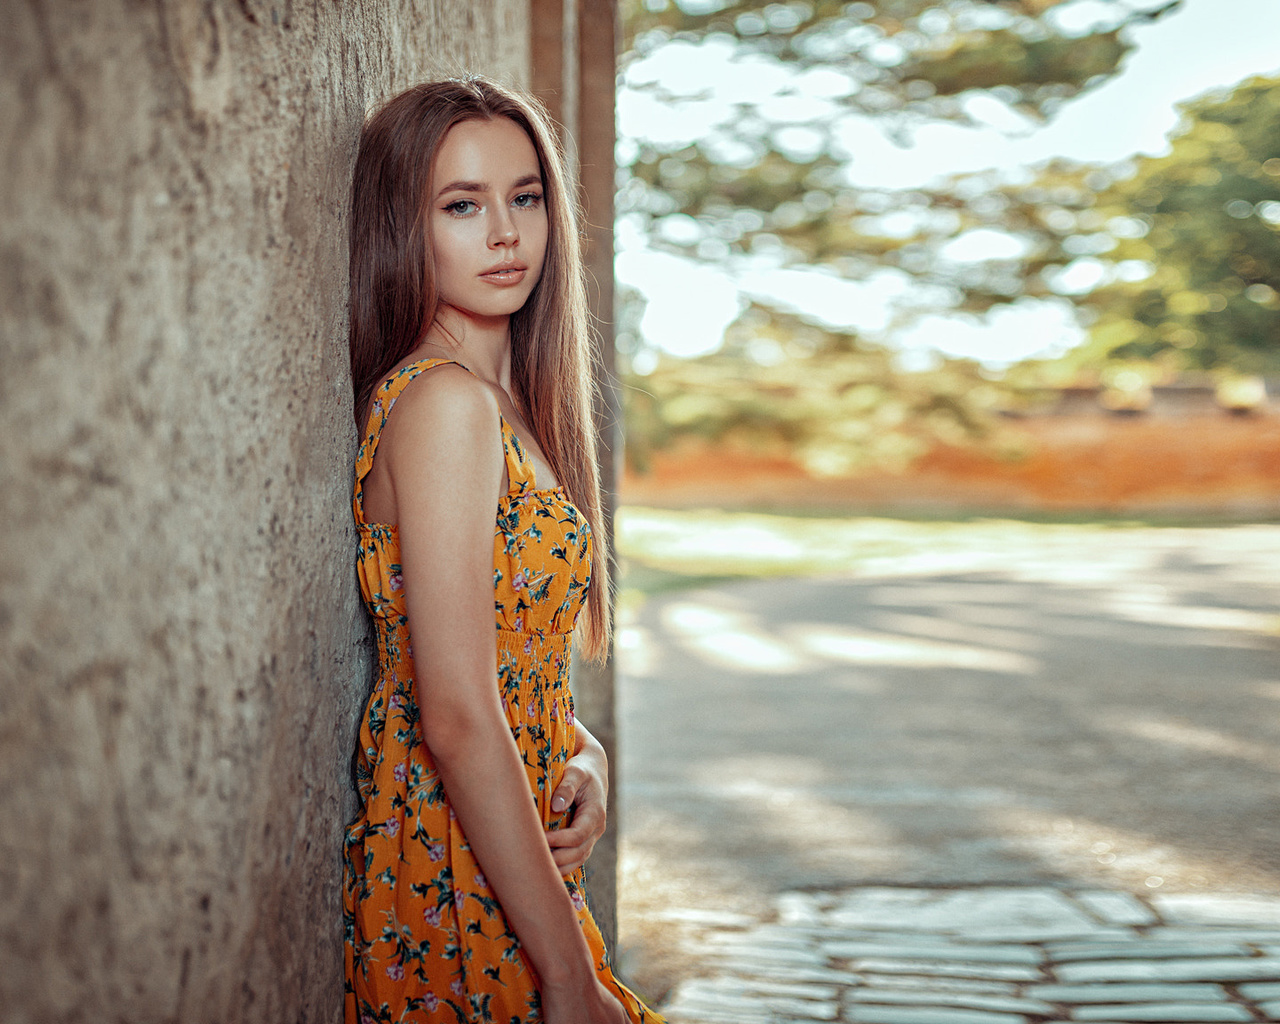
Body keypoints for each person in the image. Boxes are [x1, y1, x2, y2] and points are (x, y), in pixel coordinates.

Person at [342, 77, 664, 1024]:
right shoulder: (442, 405)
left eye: (525, 197)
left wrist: (584, 752)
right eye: (461, 205)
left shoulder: (507, 407)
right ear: (403, 225)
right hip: (451, 877)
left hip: (511, 861)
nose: (505, 234)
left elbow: (509, 655)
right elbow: (452, 710)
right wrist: (568, 977)